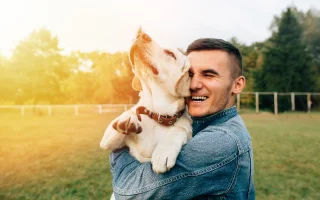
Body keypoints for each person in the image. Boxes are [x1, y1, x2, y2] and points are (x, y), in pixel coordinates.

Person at [108, 38, 255, 200]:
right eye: (190, 74)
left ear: (238, 85)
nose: (193, 85)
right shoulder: (191, 122)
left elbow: (128, 192)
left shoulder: (222, 141)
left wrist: (122, 138)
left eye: (208, 75)